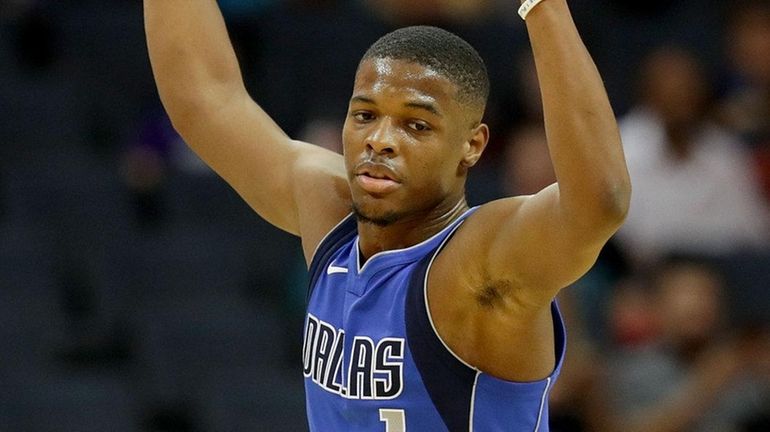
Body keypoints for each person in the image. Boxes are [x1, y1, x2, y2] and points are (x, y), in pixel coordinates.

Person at [144, 0, 631, 430]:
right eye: (365, 115)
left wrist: (542, 4)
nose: (380, 140)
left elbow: (597, 202)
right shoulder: (330, 213)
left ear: (472, 145)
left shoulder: (478, 265)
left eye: (416, 125)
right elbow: (205, 99)